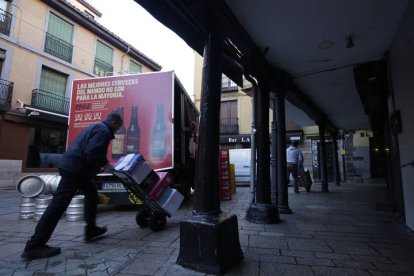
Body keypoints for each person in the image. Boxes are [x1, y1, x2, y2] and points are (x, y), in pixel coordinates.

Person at [21, 112, 123, 260]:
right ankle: (34, 245)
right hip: (75, 170)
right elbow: (93, 152)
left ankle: (91, 229)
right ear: (114, 123)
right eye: (118, 127)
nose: (117, 130)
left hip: (75, 168)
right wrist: (106, 165)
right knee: (58, 205)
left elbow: (89, 151)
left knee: (91, 194)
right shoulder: (104, 130)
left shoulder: (97, 127)